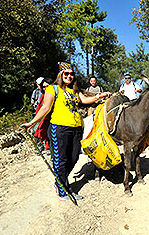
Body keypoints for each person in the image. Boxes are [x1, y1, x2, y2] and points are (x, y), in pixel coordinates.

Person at [20, 62, 111, 201]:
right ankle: (63, 191)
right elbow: (45, 108)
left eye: (71, 74)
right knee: (60, 160)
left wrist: (100, 96)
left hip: (76, 128)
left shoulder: (74, 91)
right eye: (66, 73)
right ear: (61, 75)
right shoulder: (53, 89)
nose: (69, 76)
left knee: (74, 157)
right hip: (59, 129)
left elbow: (85, 100)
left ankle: (59, 182)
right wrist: (31, 123)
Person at [33, 78, 53, 151]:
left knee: (48, 133)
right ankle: (43, 146)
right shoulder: (41, 94)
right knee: (41, 131)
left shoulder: (53, 95)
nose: (45, 88)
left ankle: (49, 148)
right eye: (44, 86)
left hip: (51, 118)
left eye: (47, 86)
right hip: (43, 117)